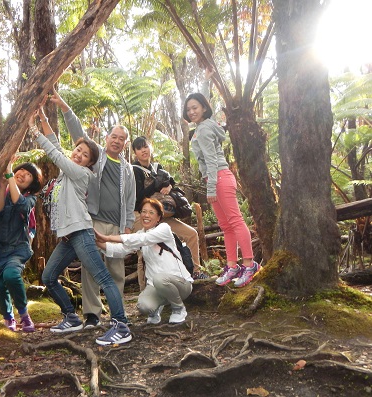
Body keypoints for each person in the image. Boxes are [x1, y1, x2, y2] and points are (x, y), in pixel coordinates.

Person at [28, 106, 132, 346]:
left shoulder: (81, 174)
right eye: (77, 150)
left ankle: (121, 324)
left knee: (104, 277)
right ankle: (71, 316)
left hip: (82, 232)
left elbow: (55, 153)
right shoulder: (68, 172)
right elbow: (55, 142)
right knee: (49, 276)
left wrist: (33, 131)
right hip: (68, 236)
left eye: (85, 155)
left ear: (90, 163)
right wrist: (43, 117)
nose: (78, 155)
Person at [49, 89, 136, 329]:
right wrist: (65, 107)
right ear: (107, 138)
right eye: (114, 136)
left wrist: (127, 227)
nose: (117, 141)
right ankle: (92, 314)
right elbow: (79, 134)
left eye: (121, 139)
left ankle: (116, 316)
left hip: (116, 225)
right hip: (92, 220)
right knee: (90, 268)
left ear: (125, 143)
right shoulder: (97, 159)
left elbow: (130, 199)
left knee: (116, 269)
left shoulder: (128, 169)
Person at [183, 93, 260, 288]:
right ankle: (232, 266)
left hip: (219, 178)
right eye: (189, 109)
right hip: (216, 178)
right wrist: (206, 82)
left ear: (203, 108)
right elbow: (202, 99)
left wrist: (210, 188)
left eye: (195, 107)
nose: (191, 111)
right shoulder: (205, 126)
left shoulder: (204, 130)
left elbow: (210, 160)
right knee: (226, 226)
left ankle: (249, 265)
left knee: (235, 221)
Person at [96, 198, 193, 324]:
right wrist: (98, 243)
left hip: (181, 283)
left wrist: (107, 237)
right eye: (143, 211)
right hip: (157, 286)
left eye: (151, 213)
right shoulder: (140, 234)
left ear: (158, 217)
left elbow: (144, 239)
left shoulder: (164, 229)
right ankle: (156, 309)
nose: (146, 215)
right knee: (143, 305)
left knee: (160, 279)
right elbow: (121, 249)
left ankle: (179, 308)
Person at [131, 136, 202, 290]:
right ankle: (145, 290)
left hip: (162, 215)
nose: (144, 150)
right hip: (141, 215)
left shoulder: (157, 167)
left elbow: (169, 184)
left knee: (191, 234)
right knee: (145, 249)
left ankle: (195, 272)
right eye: (139, 148)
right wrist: (155, 186)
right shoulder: (134, 170)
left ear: (151, 147)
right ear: (135, 152)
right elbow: (137, 198)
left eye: (146, 146)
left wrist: (169, 187)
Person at [0, 160, 43, 332]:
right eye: (21, 170)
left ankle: (24, 315)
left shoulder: (30, 198)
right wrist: (2, 184)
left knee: (12, 275)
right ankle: (8, 317)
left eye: (28, 175)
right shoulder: (2, 190)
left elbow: (19, 203)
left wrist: (10, 177)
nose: (23, 174)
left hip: (18, 248)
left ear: (32, 183)